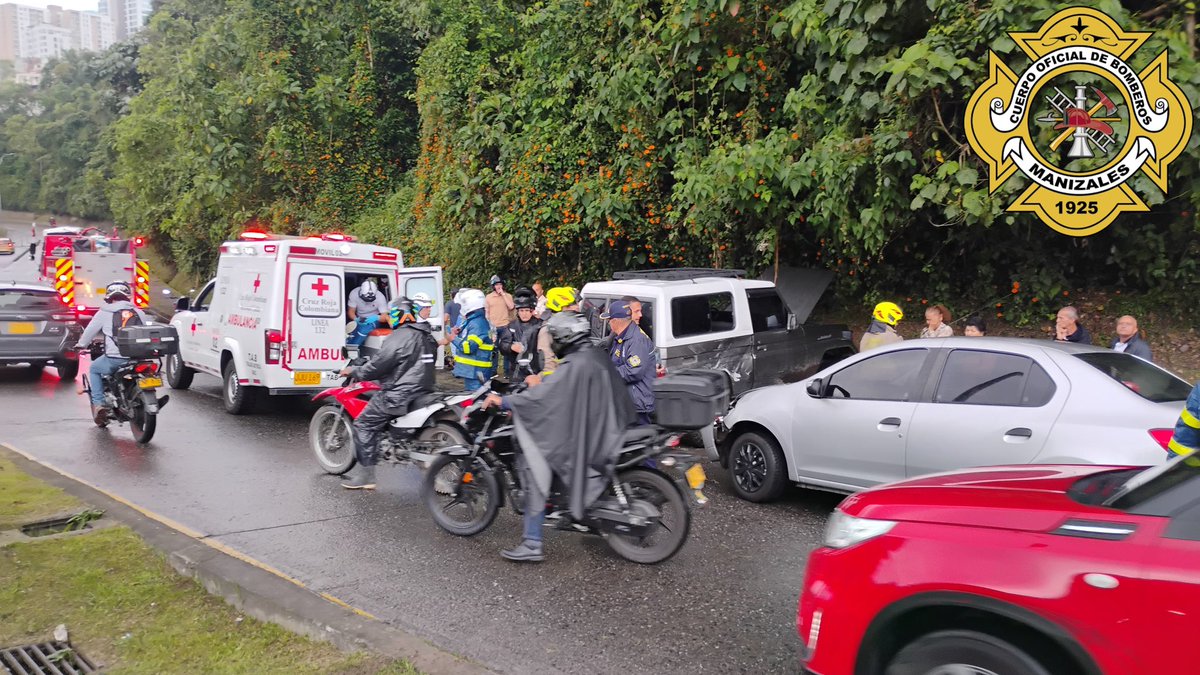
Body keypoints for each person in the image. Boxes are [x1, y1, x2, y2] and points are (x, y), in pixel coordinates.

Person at [482, 311, 636, 562]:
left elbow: (546, 399)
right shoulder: (592, 355)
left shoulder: (575, 364)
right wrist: (542, 379)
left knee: (534, 467)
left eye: (554, 337)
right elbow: (560, 389)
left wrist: (505, 401)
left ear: (564, 337)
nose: (552, 342)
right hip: (605, 426)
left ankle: (532, 543)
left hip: (588, 436)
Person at [339, 296, 437, 490]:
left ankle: (366, 476)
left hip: (400, 393)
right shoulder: (427, 335)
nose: (389, 319)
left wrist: (355, 371)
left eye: (391, 315)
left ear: (397, 316)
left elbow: (378, 366)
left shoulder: (398, 337)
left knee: (364, 424)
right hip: (425, 390)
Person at [79, 281, 147, 424]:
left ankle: (99, 404)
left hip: (115, 359)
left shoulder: (104, 312)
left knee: (95, 369)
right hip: (138, 358)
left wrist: (80, 345)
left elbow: (89, 332)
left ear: (109, 297)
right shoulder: (139, 312)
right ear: (127, 296)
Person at [603, 299, 656, 425]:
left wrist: (606, 374)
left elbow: (633, 371)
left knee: (638, 441)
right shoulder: (621, 338)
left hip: (638, 406)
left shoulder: (636, 340)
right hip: (628, 403)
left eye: (609, 320)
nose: (609, 323)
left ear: (615, 321)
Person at [451, 288, 496, 391]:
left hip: (476, 373)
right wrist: (457, 332)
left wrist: (453, 338)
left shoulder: (477, 323)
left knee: (477, 401)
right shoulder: (474, 320)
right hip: (474, 372)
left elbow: (469, 347)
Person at [532, 286, 581, 380]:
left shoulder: (575, 327)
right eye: (572, 304)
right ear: (559, 307)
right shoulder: (547, 331)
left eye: (576, 303)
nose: (577, 307)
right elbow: (548, 369)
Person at [496, 288, 543, 381]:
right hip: (516, 372)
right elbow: (502, 345)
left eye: (526, 310)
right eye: (521, 311)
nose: (524, 314)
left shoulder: (540, 325)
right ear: (517, 311)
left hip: (536, 370)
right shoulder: (512, 326)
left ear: (532, 311)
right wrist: (510, 347)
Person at [485, 275, 516, 377]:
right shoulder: (488, 297)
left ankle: (507, 371)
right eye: (497, 285)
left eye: (500, 284)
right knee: (493, 349)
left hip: (505, 325)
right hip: (493, 327)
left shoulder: (508, 296)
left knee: (506, 349)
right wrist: (489, 325)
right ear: (493, 286)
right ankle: (494, 371)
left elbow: (511, 307)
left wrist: (503, 294)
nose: (499, 286)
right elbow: (487, 313)